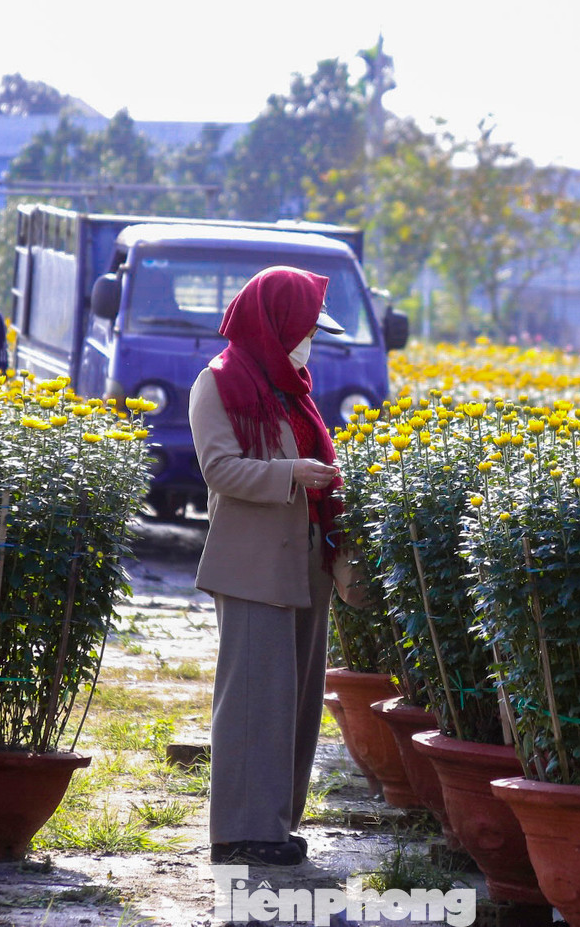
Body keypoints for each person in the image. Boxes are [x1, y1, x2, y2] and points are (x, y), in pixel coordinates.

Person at [189, 265, 346, 867]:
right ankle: (240, 832)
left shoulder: (290, 386)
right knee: (256, 695)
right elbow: (219, 469)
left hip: (304, 559)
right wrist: (292, 475)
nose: (311, 342)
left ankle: (275, 823)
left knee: (297, 698)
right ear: (275, 321)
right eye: (305, 328)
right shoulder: (220, 383)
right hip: (252, 563)